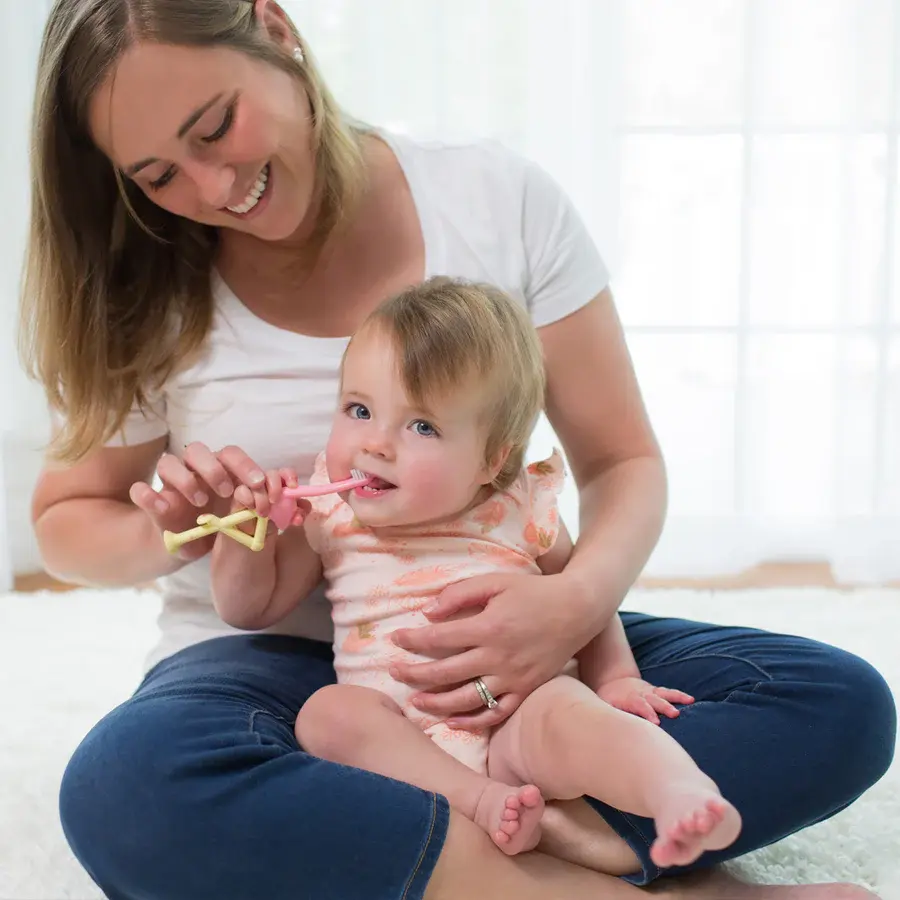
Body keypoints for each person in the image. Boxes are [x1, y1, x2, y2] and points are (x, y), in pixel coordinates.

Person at [18, 0, 894, 898]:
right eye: (160, 173)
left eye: (216, 126)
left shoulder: (495, 200)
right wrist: (187, 529)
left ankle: (490, 853)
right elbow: (65, 523)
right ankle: (601, 875)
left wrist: (573, 607)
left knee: (836, 704)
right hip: (273, 679)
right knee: (126, 789)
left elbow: (621, 459)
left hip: (520, 647)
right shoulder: (145, 286)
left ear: (276, 31)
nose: (210, 189)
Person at [209, 276, 743, 868]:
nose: (376, 445)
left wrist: (615, 678)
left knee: (575, 716)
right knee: (327, 714)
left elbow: (584, 599)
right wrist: (247, 532)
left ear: (492, 459)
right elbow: (248, 608)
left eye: (422, 427)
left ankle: (676, 792)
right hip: (399, 739)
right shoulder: (329, 510)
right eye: (359, 410)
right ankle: (483, 802)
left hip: (519, 715)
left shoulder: (519, 503)